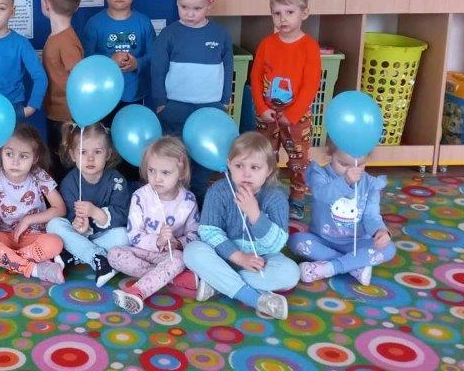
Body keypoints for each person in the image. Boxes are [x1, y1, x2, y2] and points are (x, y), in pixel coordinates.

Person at [184, 131, 298, 320]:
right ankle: (254, 298)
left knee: (291, 273)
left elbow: (276, 245)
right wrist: (239, 257)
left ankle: (218, 283)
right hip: (223, 257)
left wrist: (255, 215)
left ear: (269, 170)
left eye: (255, 167)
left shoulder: (276, 197)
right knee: (192, 251)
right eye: (239, 166)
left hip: (261, 260)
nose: (246, 173)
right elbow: (208, 231)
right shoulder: (218, 191)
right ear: (229, 164)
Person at [150, 0, 232, 203]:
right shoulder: (169, 34)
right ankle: (174, 199)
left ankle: (199, 197)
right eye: (184, 7)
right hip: (175, 107)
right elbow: (157, 69)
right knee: (176, 154)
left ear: (210, 4)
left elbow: (228, 68)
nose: (190, 13)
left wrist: (224, 100)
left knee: (202, 157)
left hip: (210, 107)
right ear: (176, 0)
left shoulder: (220, 34)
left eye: (197, 8)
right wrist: (160, 103)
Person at [250, 0, 322, 220]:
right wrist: (262, 107)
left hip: (296, 118)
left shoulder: (309, 47)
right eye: (277, 13)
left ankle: (297, 197)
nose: (283, 19)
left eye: (289, 12)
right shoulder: (267, 44)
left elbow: (311, 85)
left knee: (298, 159)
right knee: (264, 156)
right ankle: (264, 193)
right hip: (267, 115)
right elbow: (255, 77)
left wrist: (292, 115)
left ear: (304, 13)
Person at [107, 137, 201, 314]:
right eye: (152, 171)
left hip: (170, 255)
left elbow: (195, 234)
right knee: (114, 254)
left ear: (181, 172)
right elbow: (134, 234)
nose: (157, 178)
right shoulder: (140, 196)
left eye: (165, 172)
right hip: (142, 251)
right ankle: (174, 279)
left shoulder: (188, 201)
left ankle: (137, 291)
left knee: (179, 260)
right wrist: (157, 241)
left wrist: (177, 243)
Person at [290, 140, 396, 286]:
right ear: (330, 153)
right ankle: (354, 266)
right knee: (296, 241)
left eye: (360, 165)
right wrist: (345, 181)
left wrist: (381, 231)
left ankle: (330, 268)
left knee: (389, 248)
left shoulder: (370, 184)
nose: (351, 171)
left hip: (355, 242)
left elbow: (371, 216)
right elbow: (322, 195)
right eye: (344, 164)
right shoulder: (319, 174)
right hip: (322, 239)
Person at [0, 124, 67, 284]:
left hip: (33, 237)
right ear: (1, 153)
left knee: (55, 243)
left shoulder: (39, 176)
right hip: (3, 236)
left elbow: (60, 209)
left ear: (34, 158)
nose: (15, 162)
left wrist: (28, 220)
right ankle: (32, 269)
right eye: (9, 154)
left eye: (23, 156)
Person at [45, 122, 129, 286]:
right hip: (78, 236)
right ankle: (98, 257)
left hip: (104, 236)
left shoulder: (117, 181)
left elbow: (123, 215)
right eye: (83, 152)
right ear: (73, 155)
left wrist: (97, 213)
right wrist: (78, 225)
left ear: (108, 154)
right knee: (53, 224)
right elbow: (68, 217)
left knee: (125, 236)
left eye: (97, 152)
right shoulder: (69, 182)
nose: (90, 158)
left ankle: (74, 256)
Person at [81, 0, 156, 116]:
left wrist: (136, 63)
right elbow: (86, 59)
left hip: (134, 93)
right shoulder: (94, 24)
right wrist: (109, 62)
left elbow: (154, 56)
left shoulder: (144, 22)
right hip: (103, 94)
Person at [40, 0, 86, 175]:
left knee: (65, 165)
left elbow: (79, 78)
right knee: (56, 162)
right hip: (55, 111)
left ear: (46, 4)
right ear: (76, 6)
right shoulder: (57, 36)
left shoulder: (66, 41)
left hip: (67, 116)